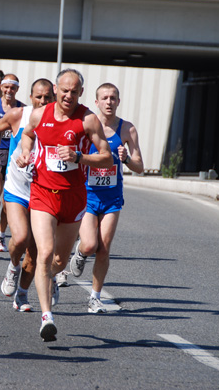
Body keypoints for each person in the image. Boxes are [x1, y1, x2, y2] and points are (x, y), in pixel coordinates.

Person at [16, 69, 112, 341]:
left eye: (74, 91)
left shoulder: (88, 120)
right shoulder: (39, 114)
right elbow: (27, 135)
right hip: (42, 193)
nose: (69, 95)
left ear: (81, 92)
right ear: (56, 89)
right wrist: (25, 152)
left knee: (58, 261)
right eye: (64, 90)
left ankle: (51, 281)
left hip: (73, 197)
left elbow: (107, 159)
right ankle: (47, 317)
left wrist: (79, 156)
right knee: (44, 253)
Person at [70, 83, 144, 313]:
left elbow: (140, 166)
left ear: (118, 102)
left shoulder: (127, 130)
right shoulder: (88, 126)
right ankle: (80, 252)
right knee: (90, 244)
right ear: (97, 102)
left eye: (113, 98)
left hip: (112, 198)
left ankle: (95, 297)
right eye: (105, 98)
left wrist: (126, 160)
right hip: (88, 195)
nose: (109, 102)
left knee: (103, 249)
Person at [0, 78, 54, 312]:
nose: (43, 101)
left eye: (48, 97)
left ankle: (23, 294)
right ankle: (13, 266)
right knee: (20, 238)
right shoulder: (19, 115)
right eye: (39, 96)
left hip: (44, 193)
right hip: (17, 189)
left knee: (36, 253)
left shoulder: (60, 121)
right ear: (31, 97)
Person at [0, 73, 25, 252]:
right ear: (1, 87)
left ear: (17, 89)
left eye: (13, 87)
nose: (9, 90)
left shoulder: (23, 109)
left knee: (7, 198)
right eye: (6, 87)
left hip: (13, 155)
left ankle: (1, 235)